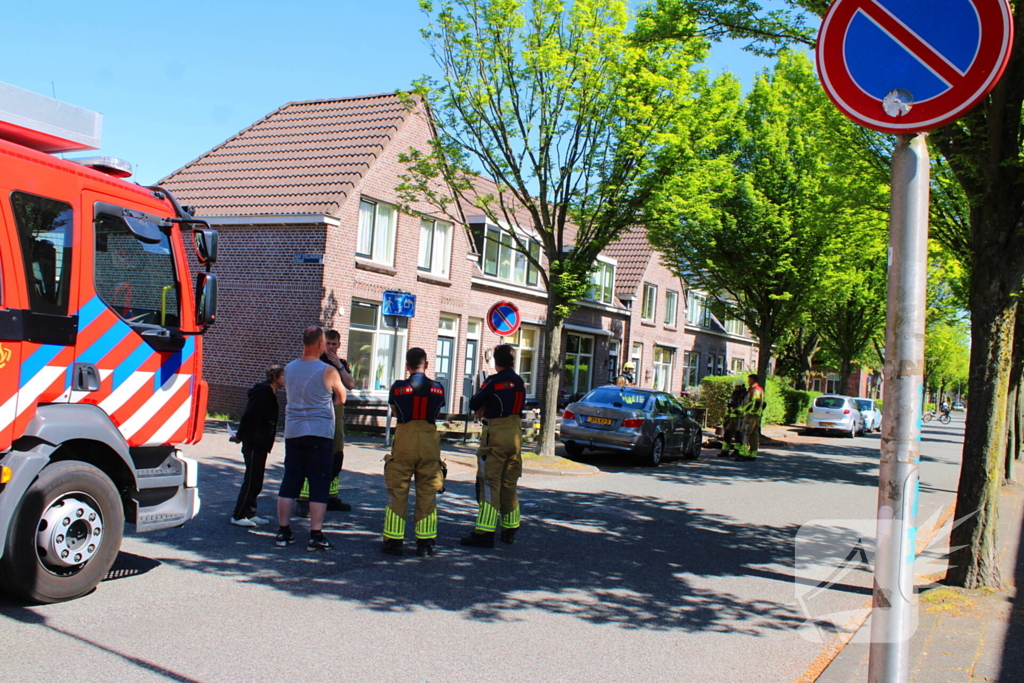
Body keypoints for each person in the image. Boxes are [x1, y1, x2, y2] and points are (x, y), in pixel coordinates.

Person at [275, 326, 347, 551]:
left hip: (294, 431)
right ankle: (315, 534)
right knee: (319, 483)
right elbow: (341, 398)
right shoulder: (328, 370)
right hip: (320, 432)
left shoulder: (289, 368)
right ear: (319, 344)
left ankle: (284, 531)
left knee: (290, 481)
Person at [381, 348, 447, 557]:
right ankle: (425, 543)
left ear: (407, 366)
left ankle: (394, 541)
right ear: (426, 365)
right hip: (429, 440)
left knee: (397, 489)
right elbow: (437, 413)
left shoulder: (398, 388)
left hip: (405, 439)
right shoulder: (438, 388)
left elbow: (395, 410)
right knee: (427, 491)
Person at [462, 344, 526, 548]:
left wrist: (485, 408)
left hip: (495, 433)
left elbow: (474, 403)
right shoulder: (519, 382)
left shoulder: (494, 381)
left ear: (495, 361)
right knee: (509, 483)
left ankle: (485, 532)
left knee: (489, 482)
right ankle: (510, 529)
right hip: (515, 433)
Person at [296, 329, 356, 516]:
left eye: (334, 344)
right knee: (313, 453)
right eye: (327, 343)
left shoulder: (342, 364)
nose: (330, 347)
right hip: (317, 409)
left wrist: (338, 366)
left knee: (336, 453)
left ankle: (331, 496)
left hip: (336, 411)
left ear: (339, 345)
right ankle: (304, 499)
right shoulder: (315, 362)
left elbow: (351, 384)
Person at [230, 364, 285, 527]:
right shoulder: (262, 393)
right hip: (254, 441)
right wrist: (239, 435)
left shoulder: (270, 393)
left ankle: (250, 512)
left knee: (257, 479)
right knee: (252, 478)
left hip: (262, 442)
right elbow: (249, 415)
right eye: (283, 376)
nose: (286, 379)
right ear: (275, 377)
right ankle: (238, 515)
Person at [734, 374, 765, 462]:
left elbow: (755, 402)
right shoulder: (759, 389)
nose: (748, 381)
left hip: (751, 415)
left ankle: (743, 453)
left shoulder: (755, 390)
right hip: (756, 415)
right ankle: (752, 453)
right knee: (754, 435)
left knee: (745, 433)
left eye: (749, 379)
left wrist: (745, 410)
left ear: (753, 380)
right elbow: (763, 403)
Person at [718, 382, 748, 458]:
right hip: (731, 417)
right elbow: (729, 406)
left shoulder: (745, 395)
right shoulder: (734, 394)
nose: (737, 388)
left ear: (742, 386)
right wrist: (726, 415)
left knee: (738, 434)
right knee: (727, 433)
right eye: (736, 386)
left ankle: (737, 451)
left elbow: (746, 406)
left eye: (738, 386)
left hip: (739, 417)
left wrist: (738, 411)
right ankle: (725, 450)